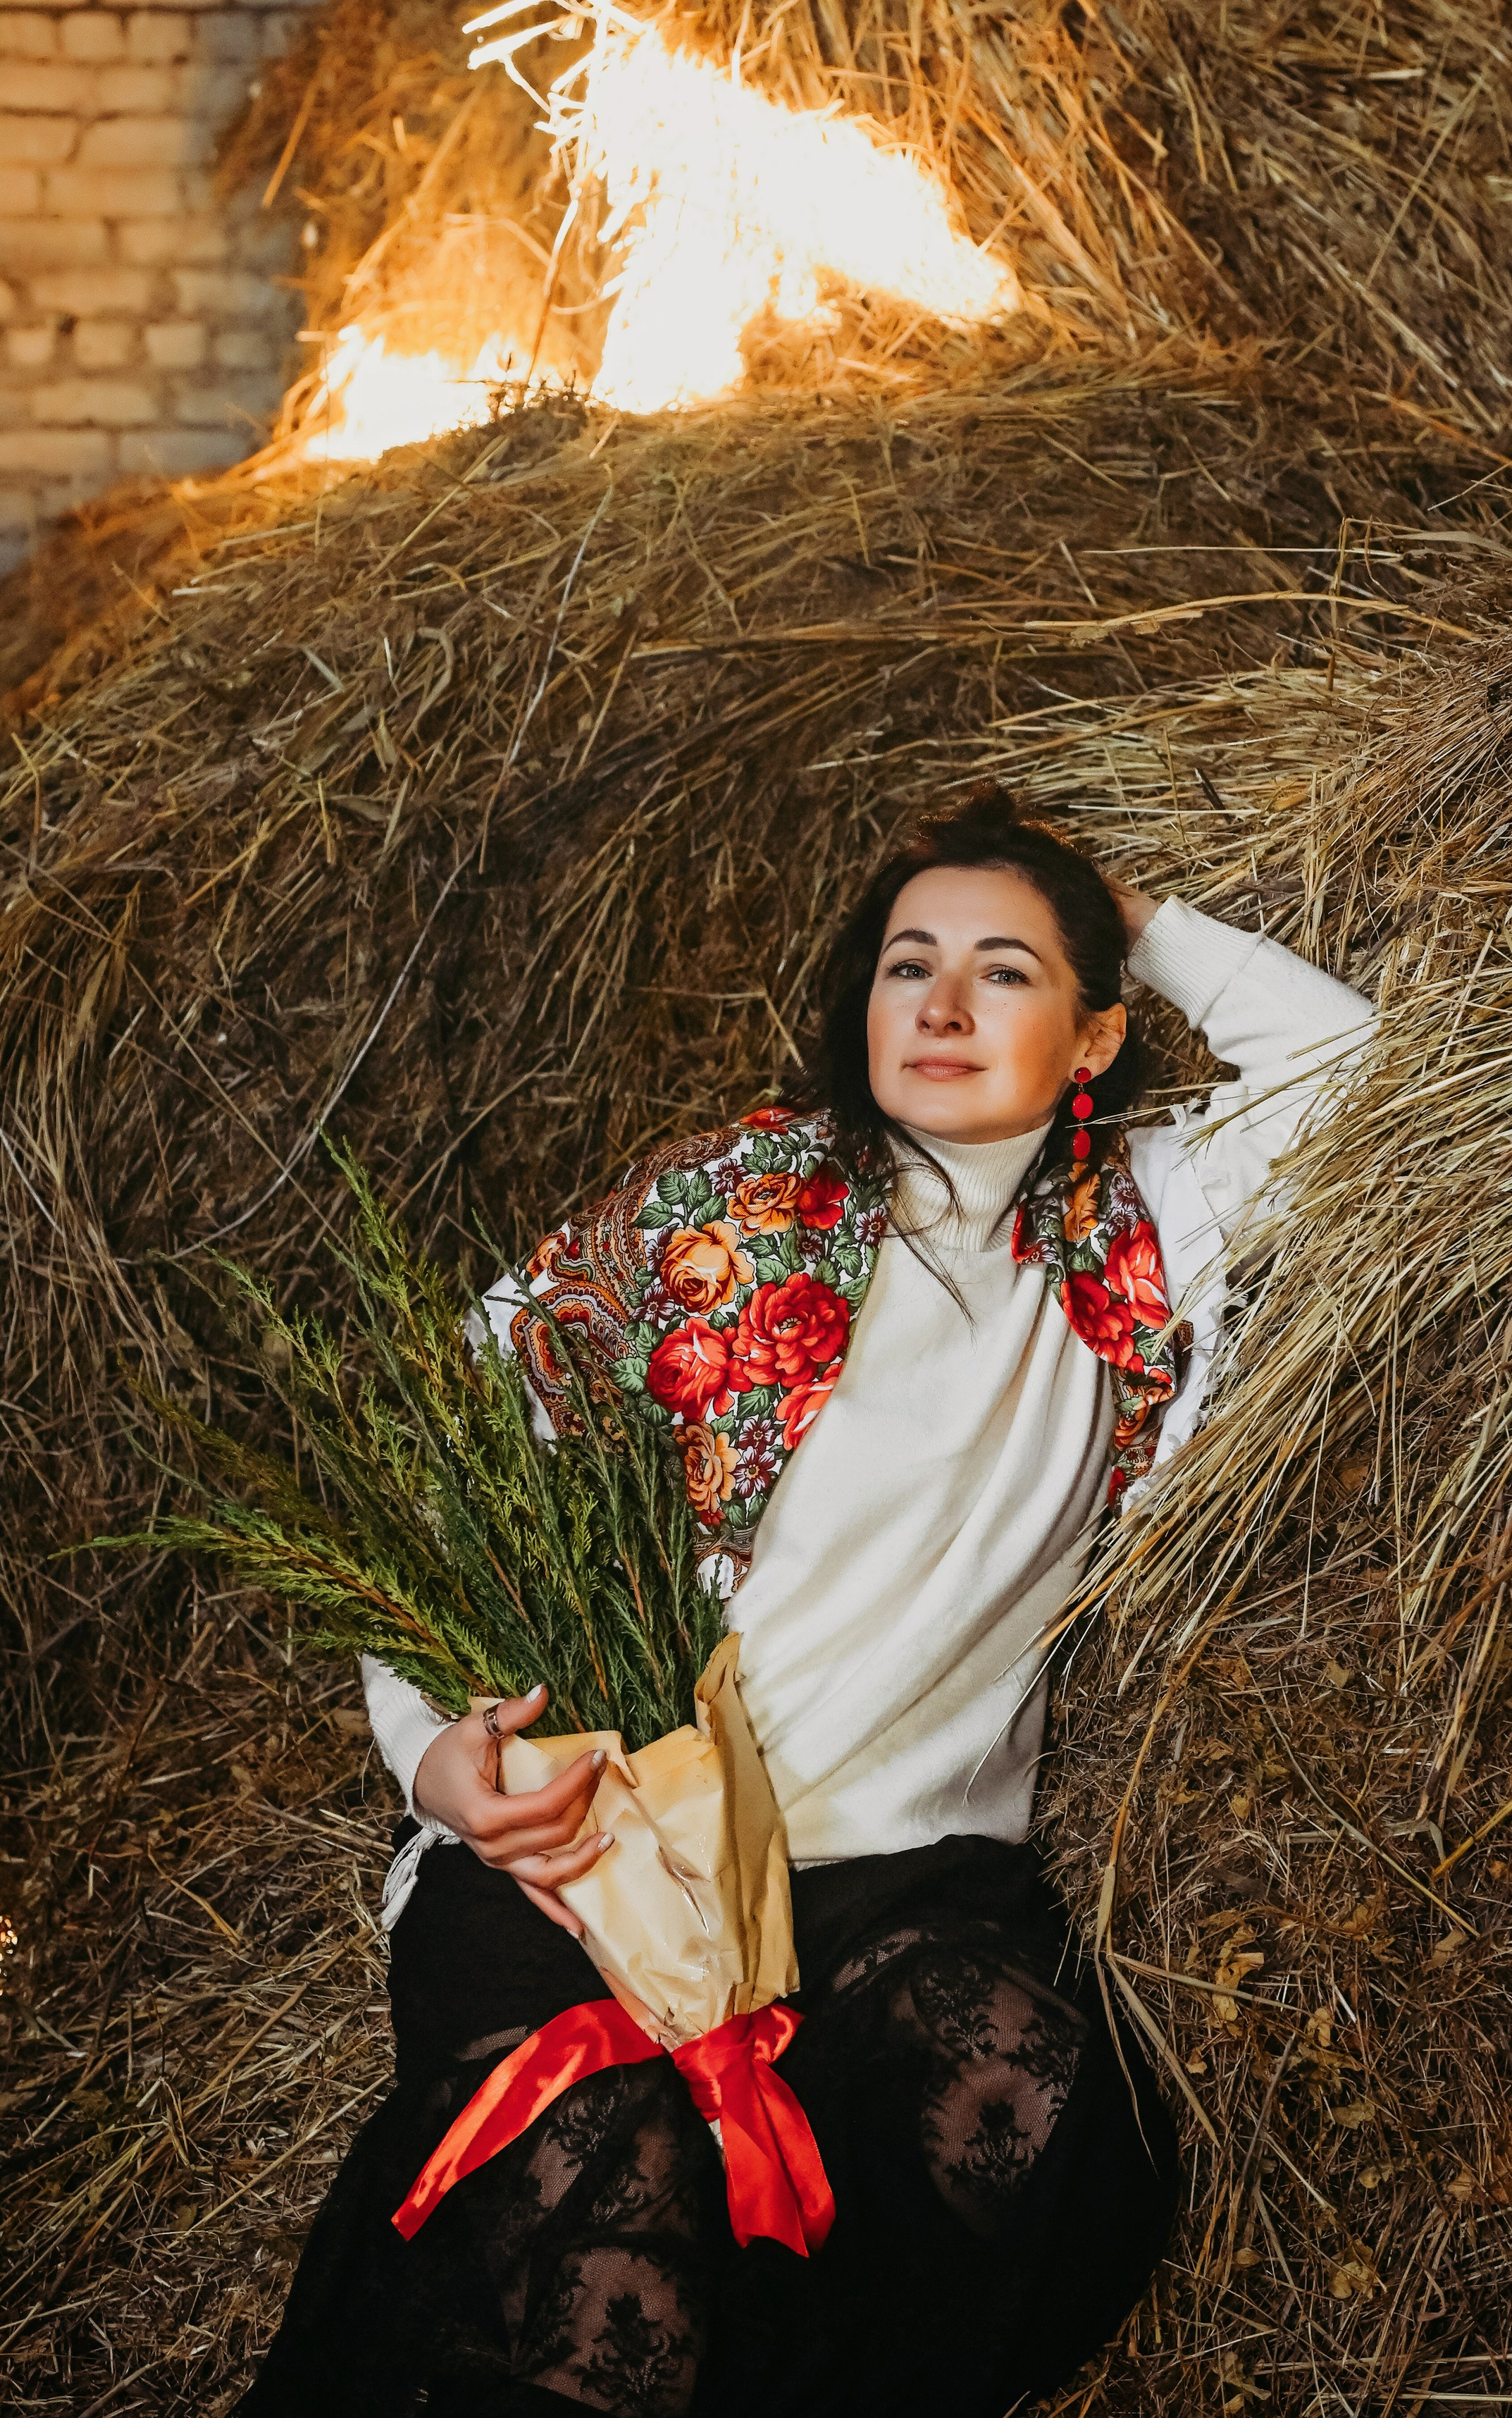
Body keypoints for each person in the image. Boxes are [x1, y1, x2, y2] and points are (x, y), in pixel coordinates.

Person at [240, 786, 1375, 2418]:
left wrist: (1118, 906)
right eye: (905, 961)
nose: (936, 1001)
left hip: (895, 1878)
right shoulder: (728, 1207)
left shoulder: (1144, 1225)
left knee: (1024, 2084)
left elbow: (1356, 1066)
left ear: (1095, 1037)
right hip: (608, 1851)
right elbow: (449, 1469)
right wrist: (435, 1760)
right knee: (613, 2187)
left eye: (1002, 971)